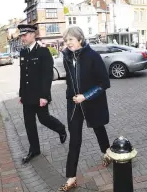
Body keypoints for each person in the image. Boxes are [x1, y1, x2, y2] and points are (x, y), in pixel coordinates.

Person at [59, 26, 112, 191]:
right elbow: (70, 80)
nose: (68, 43)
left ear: (80, 40)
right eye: (66, 40)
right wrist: (71, 96)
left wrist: (85, 96)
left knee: (98, 128)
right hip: (74, 104)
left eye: (71, 40)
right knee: (75, 140)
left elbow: (104, 83)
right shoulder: (67, 57)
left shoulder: (93, 56)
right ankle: (71, 178)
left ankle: (107, 153)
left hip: (92, 101)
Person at [17, 24, 67, 164]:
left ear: (33, 34)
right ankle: (34, 149)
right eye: (21, 35)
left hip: (39, 96)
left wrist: (44, 96)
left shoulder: (43, 52)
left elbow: (47, 76)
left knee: (44, 119)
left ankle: (61, 128)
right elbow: (23, 75)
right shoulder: (23, 52)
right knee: (29, 123)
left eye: (25, 35)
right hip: (27, 96)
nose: (23, 38)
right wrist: (21, 94)